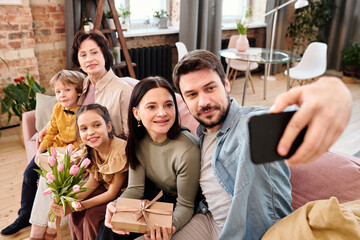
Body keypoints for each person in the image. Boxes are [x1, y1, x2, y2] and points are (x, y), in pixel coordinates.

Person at [168, 50, 351, 240]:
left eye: (210, 88)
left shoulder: (250, 125)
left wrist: (332, 92)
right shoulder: (201, 134)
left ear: (226, 84)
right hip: (208, 221)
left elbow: (293, 119)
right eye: (191, 94)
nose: (203, 102)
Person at [97, 77, 201, 240]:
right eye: (152, 106)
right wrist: (117, 206)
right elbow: (135, 188)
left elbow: (186, 205)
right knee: (110, 229)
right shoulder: (137, 140)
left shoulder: (188, 149)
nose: (163, 113)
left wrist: (169, 227)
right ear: (136, 113)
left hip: (179, 205)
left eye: (168, 105)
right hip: (152, 195)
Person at [0, 70, 85, 236]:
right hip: (52, 149)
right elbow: (51, 132)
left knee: (51, 182)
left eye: (67, 90)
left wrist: (70, 152)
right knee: (29, 174)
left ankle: (49, 226)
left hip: (69, 153)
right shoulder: (58, 108)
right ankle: (24, 216)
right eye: (58, 91)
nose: (62, 95)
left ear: (79, 91)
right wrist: (39, 151)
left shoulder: (84, 112)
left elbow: (81, 140)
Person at [50, 104, 128, 239]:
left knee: (91, 215)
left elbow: (112, 193)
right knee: (76, 214)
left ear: (108, 127)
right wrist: (69, 201)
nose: (90, 132)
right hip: (106, 189)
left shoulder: (119, 151)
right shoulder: (92, 149)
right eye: (84, 129)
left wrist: (78, 206)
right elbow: (92, 183)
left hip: (122, 196)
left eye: (97, 125)